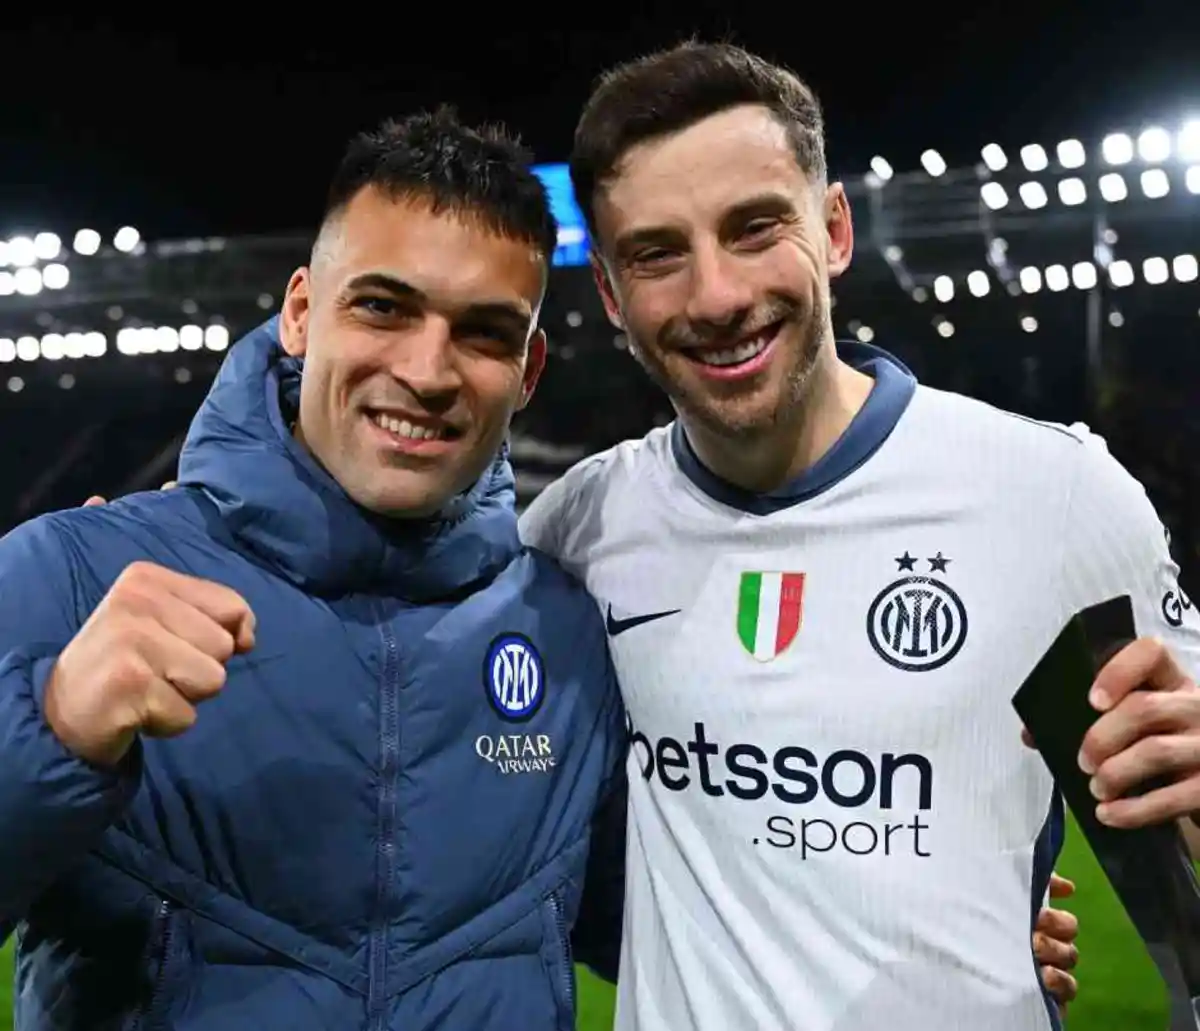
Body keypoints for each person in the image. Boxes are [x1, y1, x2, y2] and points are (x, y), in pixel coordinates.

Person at [518, 41, 1200, 1030]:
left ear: (832, 229)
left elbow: (1173, 891)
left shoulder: (1051, 496)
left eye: (756, 228)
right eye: (659, 253)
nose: (715, 295)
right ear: (615, 297)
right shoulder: (577, 530)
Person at [0, 108, 628, 1031]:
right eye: (384, 305)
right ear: (301, 312)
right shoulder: (71, 577)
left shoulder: (569, 636)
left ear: (528, 369)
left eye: (484, 333)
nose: (427, 370)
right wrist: (50, 737)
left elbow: (687, 933)